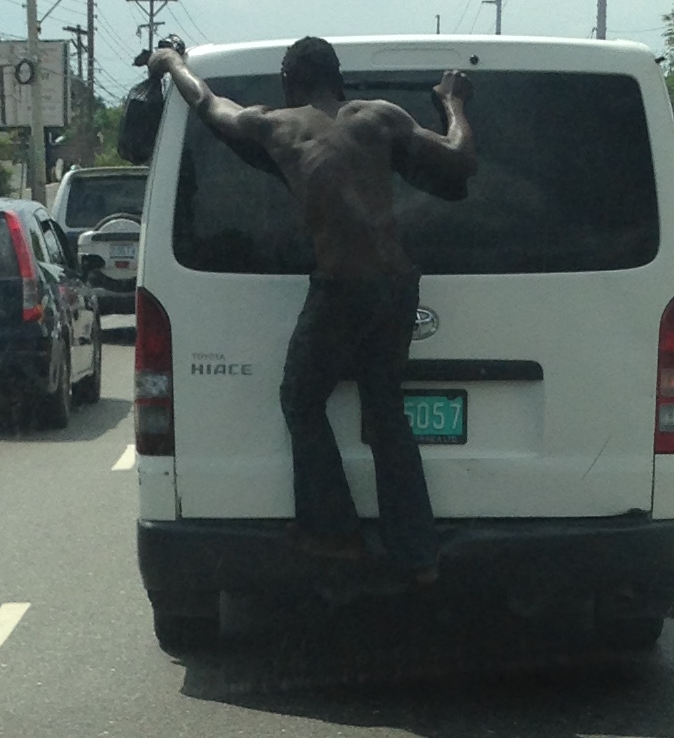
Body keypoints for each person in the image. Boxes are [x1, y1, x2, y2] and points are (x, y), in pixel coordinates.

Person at [148, 36, 477, 581]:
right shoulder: (380, 117)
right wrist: (453, 102)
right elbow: (460, 158)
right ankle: (418, 553)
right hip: (398, 284)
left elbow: (207, 102)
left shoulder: (278, 125)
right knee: (386, 411)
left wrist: (171, 62)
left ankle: (333, 532)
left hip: (343, 286)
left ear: (288, 83)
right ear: (338, 79)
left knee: (301, 400)